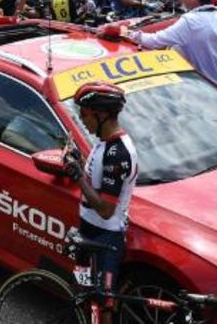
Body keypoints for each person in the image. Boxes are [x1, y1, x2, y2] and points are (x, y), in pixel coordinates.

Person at [62, 82, 138, 324]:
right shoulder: (104, 143)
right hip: (88, 230)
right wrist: (79, 161)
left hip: (105, 237)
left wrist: (77, 176)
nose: (82, 120)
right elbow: (97, 177)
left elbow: (106, 209)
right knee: (86, 298)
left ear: (101, 113)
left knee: (104, 308)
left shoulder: (119, 154)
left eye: (84, 114)